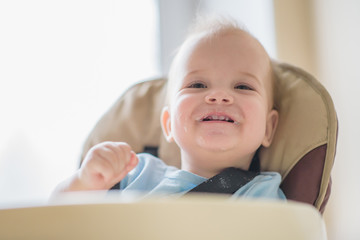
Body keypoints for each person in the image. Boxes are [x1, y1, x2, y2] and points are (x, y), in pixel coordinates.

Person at [53, 16, 285, 200]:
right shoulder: (136, 174)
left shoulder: (261, 194)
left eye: (243, 86)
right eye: (197, 84)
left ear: (268, 127)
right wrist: (88, 181)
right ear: (168, 124)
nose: (218, 96)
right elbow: (60, 217)